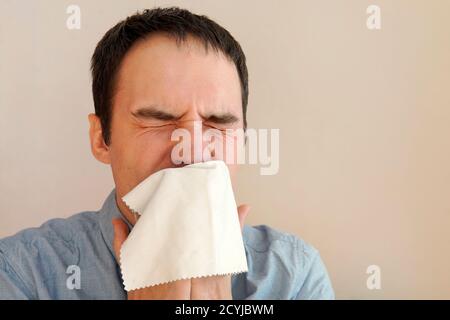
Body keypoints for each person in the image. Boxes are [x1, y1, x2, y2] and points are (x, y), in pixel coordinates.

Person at [0, 7, 334, 299]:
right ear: (102, 138)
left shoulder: (293, 277)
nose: (192, 151)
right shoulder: (23, 274)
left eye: (218, 123)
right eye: (158, 120)